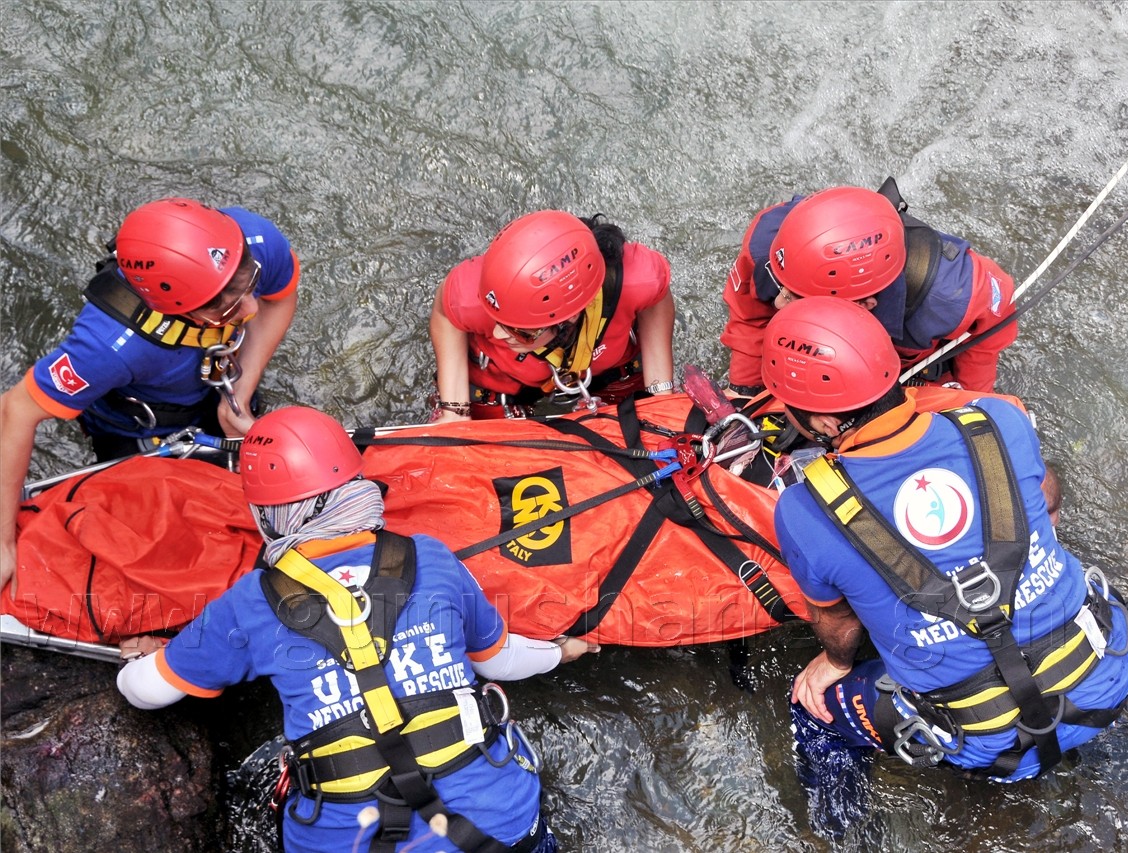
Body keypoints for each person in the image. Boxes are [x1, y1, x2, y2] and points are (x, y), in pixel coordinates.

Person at [117, 406, 597, 852]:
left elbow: (143, 692)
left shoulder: (248, 604)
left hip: (346, 839)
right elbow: (501, 660)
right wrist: (561, 651)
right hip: (498, 827)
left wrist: (144, 658)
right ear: (356, 483)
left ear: (265, 514)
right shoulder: (429, 557)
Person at [764, 297, 1128, 791]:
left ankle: (835, 822)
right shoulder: (998, 419)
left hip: (990, 746)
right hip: (1107, 679)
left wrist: (835, 662)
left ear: (825, 424)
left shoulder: (803, 509)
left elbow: (838, 621)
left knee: (812, 710)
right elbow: (1048, 496)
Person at [1, 197, 298, 594]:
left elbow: (279, 297)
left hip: (217, 383)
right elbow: (16, 410)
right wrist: (3, 541)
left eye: (248, 282)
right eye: (226, 308)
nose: (250, 308)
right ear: (175, 308)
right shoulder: (106, 349)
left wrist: (240, 392)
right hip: (138, 427)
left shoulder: (253, 240)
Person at [720, 180, 1018, 397]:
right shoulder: (770, 243)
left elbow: (994, 320)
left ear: (865, 305)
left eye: (795, 297)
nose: (778, 304)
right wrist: (745, 392)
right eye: (783, 289)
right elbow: (751, 316)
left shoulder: (951, 295)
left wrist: (971, 398)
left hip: (908, 347)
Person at [429, 209, 675, 420]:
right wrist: (455, 411)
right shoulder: (471, 296)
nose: (498, 333)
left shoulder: (638, 279)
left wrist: (660, 393)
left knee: (654, 421)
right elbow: (446, 313)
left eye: (519, 330)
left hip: (608, 371)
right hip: (506, 383)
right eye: (498, 320)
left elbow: (657, 297)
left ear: (570, 318)